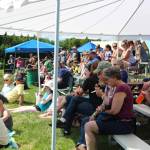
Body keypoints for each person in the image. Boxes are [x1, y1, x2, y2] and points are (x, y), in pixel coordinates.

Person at [81, 67, 135, 150]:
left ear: (114, 77)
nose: (106, 82)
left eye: (107, 79)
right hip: (120, 121)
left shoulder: (122, 88)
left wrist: (101, 110)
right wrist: (97, 113)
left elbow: (114, 111)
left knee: (89, 126)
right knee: (87, 121)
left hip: (124, 124)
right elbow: (109, 106)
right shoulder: (118, 87)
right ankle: (84, 146)